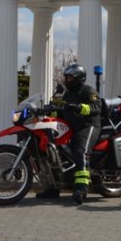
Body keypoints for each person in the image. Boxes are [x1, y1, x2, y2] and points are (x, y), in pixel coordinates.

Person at [36, 64, 101, 205]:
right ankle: (53, 188)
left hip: (88, 126)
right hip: (72, 127)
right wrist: (46, 111)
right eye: (66, 77)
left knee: (80, 151)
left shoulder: (88, 91)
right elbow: (63, 110)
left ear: (79, 78)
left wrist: (79, 107)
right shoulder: (68, 94)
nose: (67, 80)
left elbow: (97, 107)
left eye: (70, 77)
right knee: (54, 153)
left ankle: (82, 189)